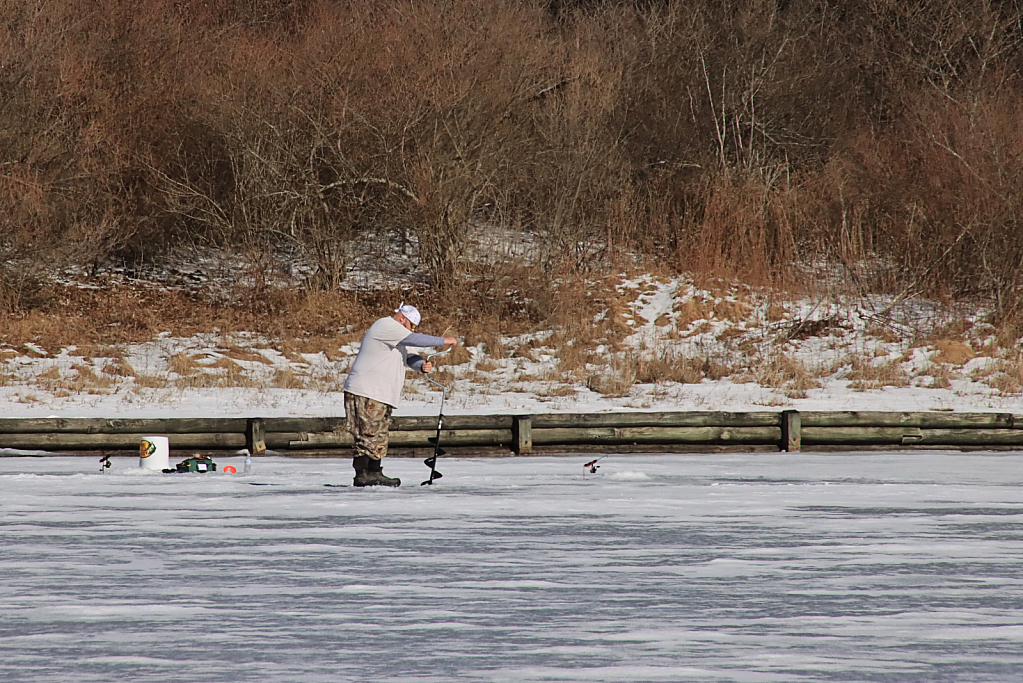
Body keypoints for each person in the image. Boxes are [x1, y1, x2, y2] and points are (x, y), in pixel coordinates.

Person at [342, 303, 457, 487]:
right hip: (366, 390)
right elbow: (416, 340)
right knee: (367, 434)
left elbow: (411, 356)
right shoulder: (385, 325)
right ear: (402, 318)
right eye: (411, 325)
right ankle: (362, 474)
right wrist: (443, 341)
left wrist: (421, 365)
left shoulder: (399, 336)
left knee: (379, 435)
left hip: (381, 394)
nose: (412, 330)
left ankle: (374, 472)